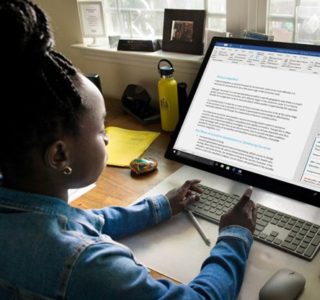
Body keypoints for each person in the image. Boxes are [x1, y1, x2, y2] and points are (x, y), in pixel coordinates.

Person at [0, 1, 257, 299]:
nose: (107, 138)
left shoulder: (25, 211)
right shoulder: (87, 264)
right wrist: (235, 236)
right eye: (100, 129)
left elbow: (86, 221)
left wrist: (160, 206)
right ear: (60, 155)